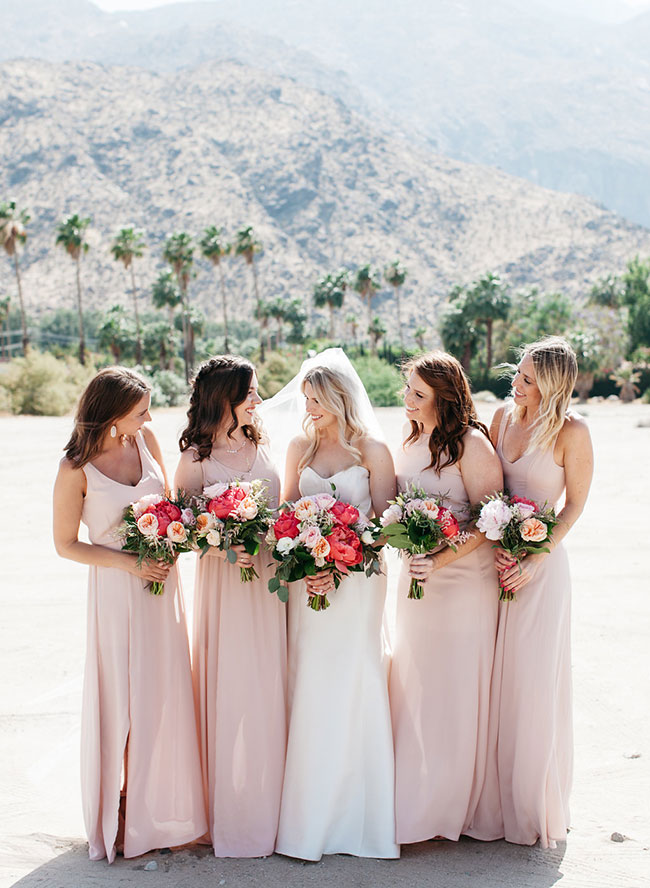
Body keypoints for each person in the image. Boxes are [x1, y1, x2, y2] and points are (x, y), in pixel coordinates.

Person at [52, 367, 206, 863]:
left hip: (162, 590)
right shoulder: (75, 467)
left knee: (162, 696)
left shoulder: (148, 441)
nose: (150, 417)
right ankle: (118, 809)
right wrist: (129, 560)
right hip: (115, 594)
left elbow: (171, 509)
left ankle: (158, 808)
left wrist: (175, 544)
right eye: (141, 410)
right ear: (114, 413)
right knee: (122, 699)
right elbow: (65, 544)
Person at [268, 354, 400, 861]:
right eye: (305, 399)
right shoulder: (299, 448)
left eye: (317, 399)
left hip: (361, 581)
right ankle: (309, 821)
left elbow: (385, 523)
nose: (309, 407)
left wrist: (344, 559)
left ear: (340, 398)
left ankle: (360, 820)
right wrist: (308, 559)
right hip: (309, 584)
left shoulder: (372, 449)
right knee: (313, 681)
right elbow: (285, 515)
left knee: (356, 676)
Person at [467, 336, 594, 848]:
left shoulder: (573, 433)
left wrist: (532, 555)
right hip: (493, 562)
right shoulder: (499, 419)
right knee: (495, 680)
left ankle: (531, 806)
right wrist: (498, 543)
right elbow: (491, 490)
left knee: (532, 680)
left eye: (526, 379)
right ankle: (489, 804)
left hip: (539, 572)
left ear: (552, 385)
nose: (514, 384)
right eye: (515, 375)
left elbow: (572, 509)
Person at [388, 351, 503, 844]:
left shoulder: (472, 444)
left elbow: (487, 517)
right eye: (407, 390)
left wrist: (438, 558)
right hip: (416, 578)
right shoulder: (412, 439)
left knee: (453, 689)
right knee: (414, 681)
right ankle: (414, 795)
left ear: (444, 398)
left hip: (460, 582)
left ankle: (450, 807)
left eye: (418, 393)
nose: (407, 399)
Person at [174, 355, 287, 858]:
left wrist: (270, 534)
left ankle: (271, 804)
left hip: (266, 580)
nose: (258, 400)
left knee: (266, 684)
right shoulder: (196, 456)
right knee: (229, 685)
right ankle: (226, 810)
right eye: (250, 393)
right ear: (224, 397)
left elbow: (280, 507)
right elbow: (181, 527)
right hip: (224, 584)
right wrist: (220, 546)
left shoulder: (261, 440)